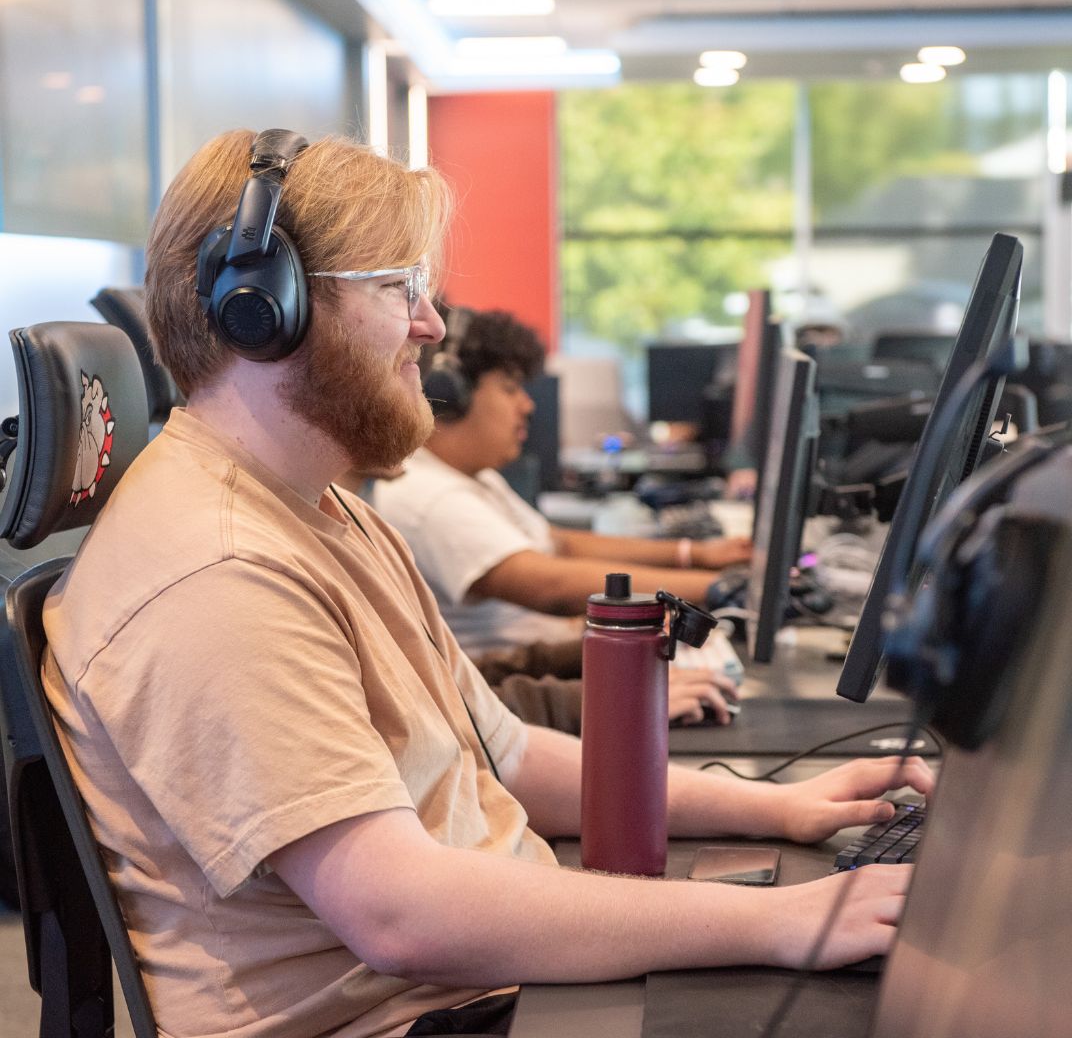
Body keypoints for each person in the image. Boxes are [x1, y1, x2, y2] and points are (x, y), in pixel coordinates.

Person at [42, 128, 933, 1038]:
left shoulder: (320, 511)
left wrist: (775, 808)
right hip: (422, 1011)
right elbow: (403, 916)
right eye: (399, 288)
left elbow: (504, 755)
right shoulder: (218, 572)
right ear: (262, 309)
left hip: (483, 982)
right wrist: (780, 922)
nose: (431, 325)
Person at [372, 308, 751, 724]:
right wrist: (720, 589)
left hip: (551, 673)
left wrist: (695, 554)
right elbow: (549, 585)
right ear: (452, 395)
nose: (527, 404)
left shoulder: (471, 478)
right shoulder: (429, 496)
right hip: (519, 704)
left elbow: (559, 542)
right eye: (510, 388)